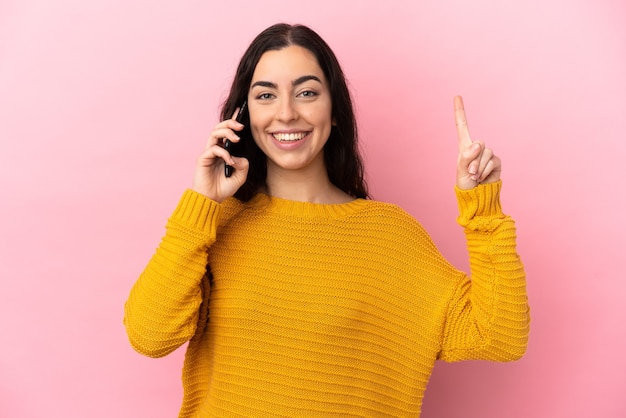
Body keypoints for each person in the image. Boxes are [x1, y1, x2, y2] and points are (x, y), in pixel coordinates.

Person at [124, 23, 530, 418]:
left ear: (334, 110)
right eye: (266, 95)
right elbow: (149, 336)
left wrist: (482, 205)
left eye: (306, 92)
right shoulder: (216, 224)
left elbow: (499, 334)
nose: (286, 113)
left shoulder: (389, 236)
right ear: (244, 115)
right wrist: (202, 203)